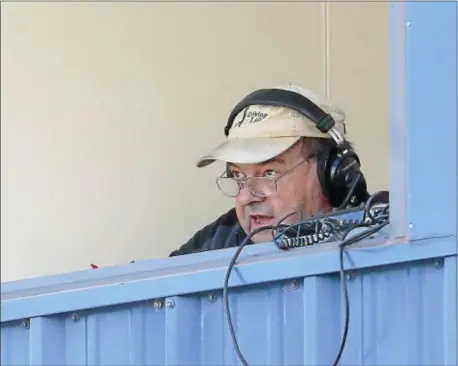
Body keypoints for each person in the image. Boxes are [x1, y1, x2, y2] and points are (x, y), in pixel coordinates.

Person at [169, 84, 369, 257]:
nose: (246, 197)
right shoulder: (222, 236)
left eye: (269, 173)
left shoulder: (381, 235)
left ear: (332, 173)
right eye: (239, 175)